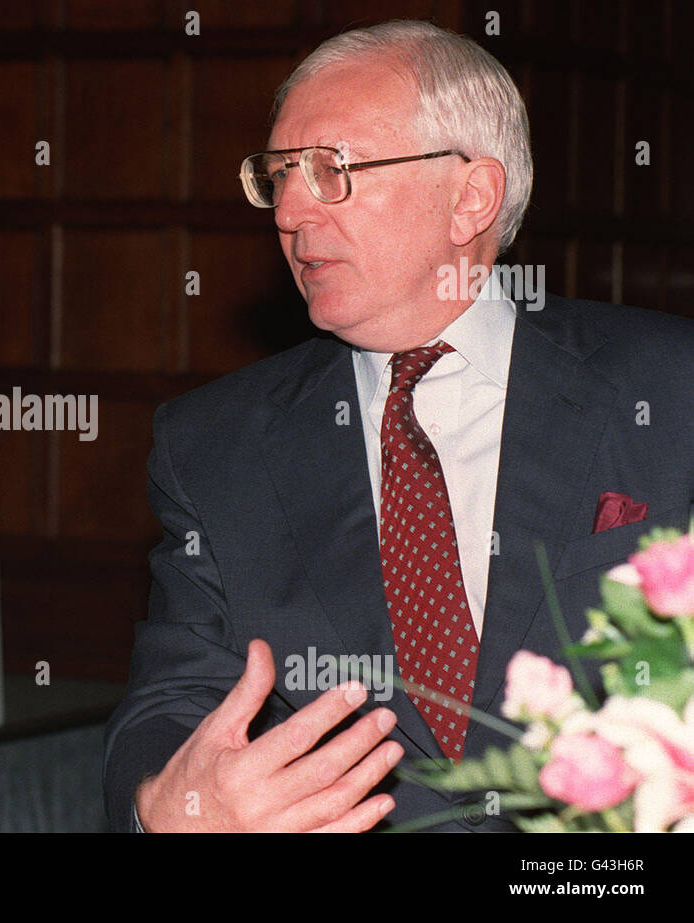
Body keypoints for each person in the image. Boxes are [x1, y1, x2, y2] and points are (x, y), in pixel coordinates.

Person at [104, 20, 694, 832]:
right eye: (277, 175)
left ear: (472, 197)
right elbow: (169, 709)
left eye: (331, 170)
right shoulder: (216, 445)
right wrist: (169, 808)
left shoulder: (670, 388)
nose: (290, 209)